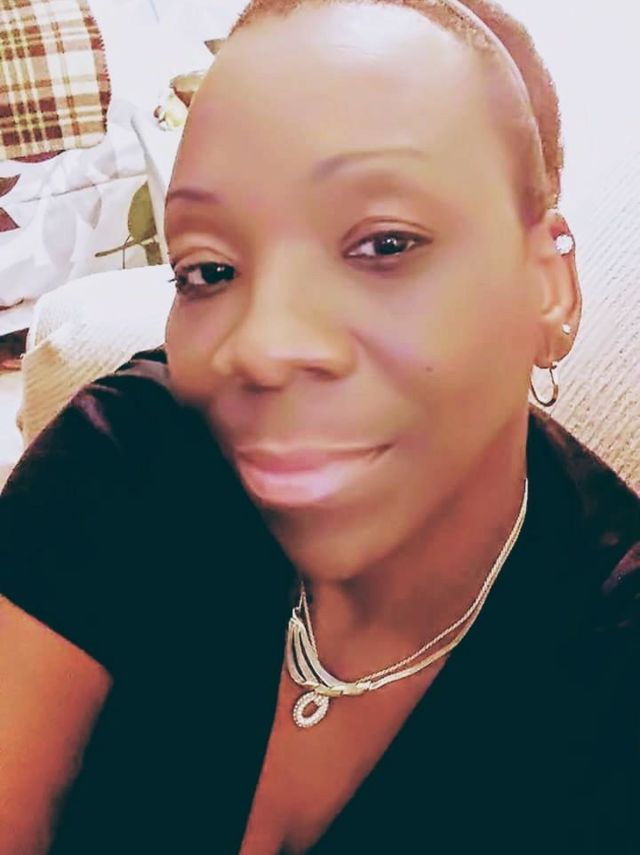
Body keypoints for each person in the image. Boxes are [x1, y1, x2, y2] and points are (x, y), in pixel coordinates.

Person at [1, 1, 638, 852]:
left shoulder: (610, 665)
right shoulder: (128, 458)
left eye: (385, 245)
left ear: (549, 285)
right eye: (208, 268)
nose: (261, 347)